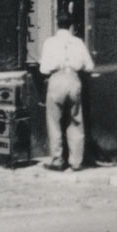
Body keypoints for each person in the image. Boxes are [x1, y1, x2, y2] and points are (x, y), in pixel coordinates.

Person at [39, 10, 94, 171]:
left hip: (56, 80)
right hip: (74, 80)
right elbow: (89, 66)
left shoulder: (49, 42)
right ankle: (76, 162)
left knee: (54, 122)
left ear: (57, 24)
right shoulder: (78, 42)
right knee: (75, 121)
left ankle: (57, 161)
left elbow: (44, 69)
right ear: (71, 25)